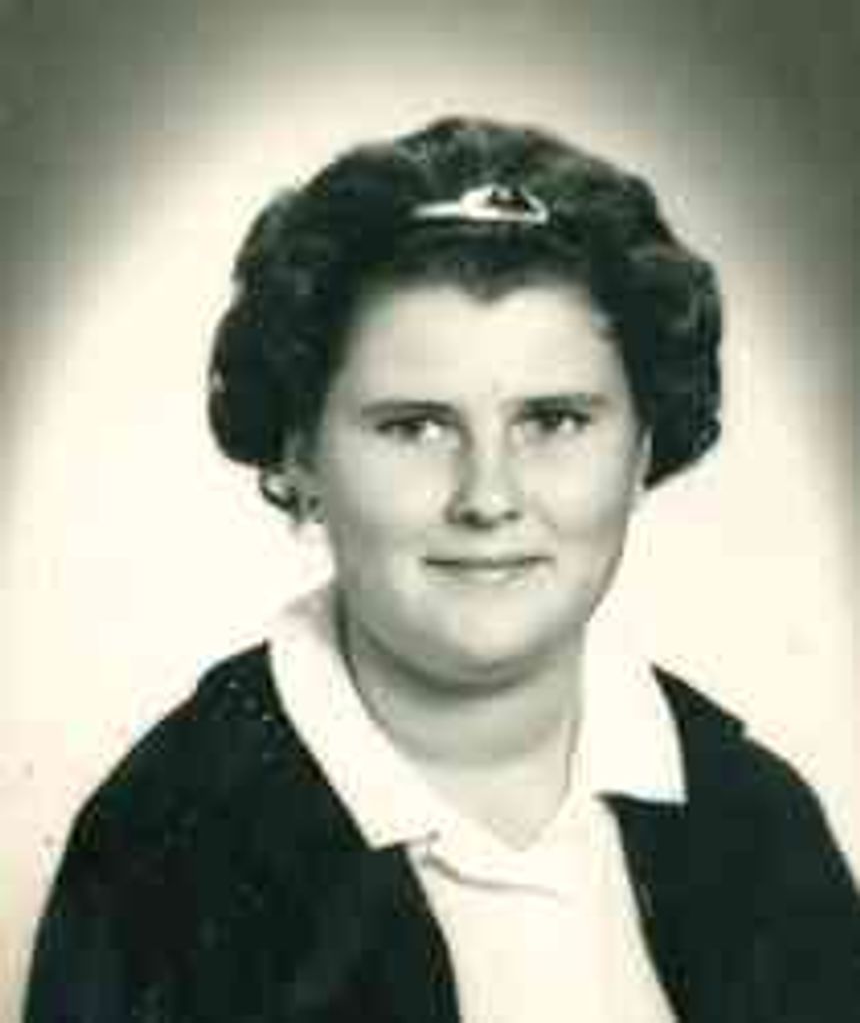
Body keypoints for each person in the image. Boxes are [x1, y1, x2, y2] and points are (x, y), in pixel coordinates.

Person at [24, 115, 860, 1023]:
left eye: (555, 420)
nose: (488, 497)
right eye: (415, 426)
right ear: (301, 456)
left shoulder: (758, 820)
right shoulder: (161, 857)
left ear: (642, 448)